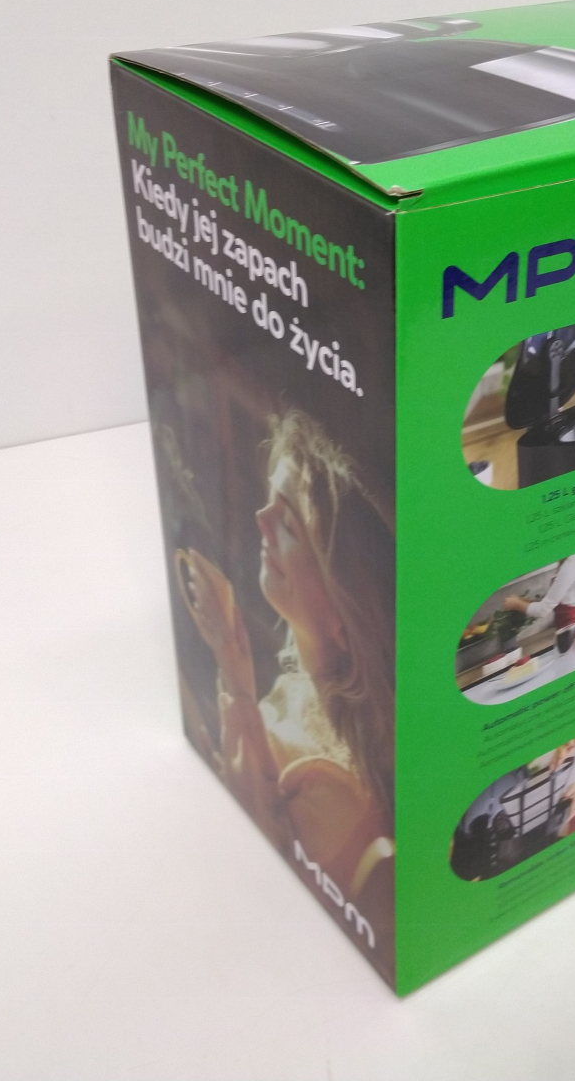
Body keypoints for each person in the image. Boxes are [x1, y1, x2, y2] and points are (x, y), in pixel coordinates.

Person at [175, 409, 395, 962]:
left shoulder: (339, 789)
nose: (259, 518)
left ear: (344, 614)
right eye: (271, 501)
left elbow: (255, 860)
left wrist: (231, 664)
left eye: (290, 524)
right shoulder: (303, 692)